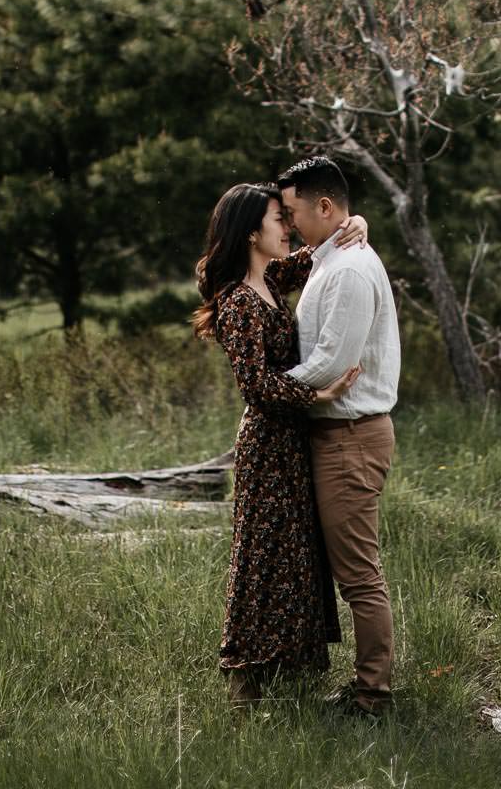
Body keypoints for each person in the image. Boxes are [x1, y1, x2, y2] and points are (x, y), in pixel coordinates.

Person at [193, 182, 365, 708]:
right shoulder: (239, 302)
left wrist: (355, 225)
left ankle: (284, 673)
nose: (286, 227)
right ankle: (244, 684)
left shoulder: (268, 277)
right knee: (262, 558)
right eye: (276, 219)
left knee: (292, 556)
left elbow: (319, 252)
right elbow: (258, 386)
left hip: (289, 441)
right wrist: (320, 391)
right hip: (268, 444)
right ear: (251, 231)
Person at [277, 155, 401, 718]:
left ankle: (373, 698)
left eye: (293, 211)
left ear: (325, 207)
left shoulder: (349, 269)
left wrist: (266, 390)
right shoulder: (329, 257)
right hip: (334, 435)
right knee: (348, 572)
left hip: (350, 436)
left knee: (359, 576)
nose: (287, 223)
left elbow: (332, 362)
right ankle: (361, 686)